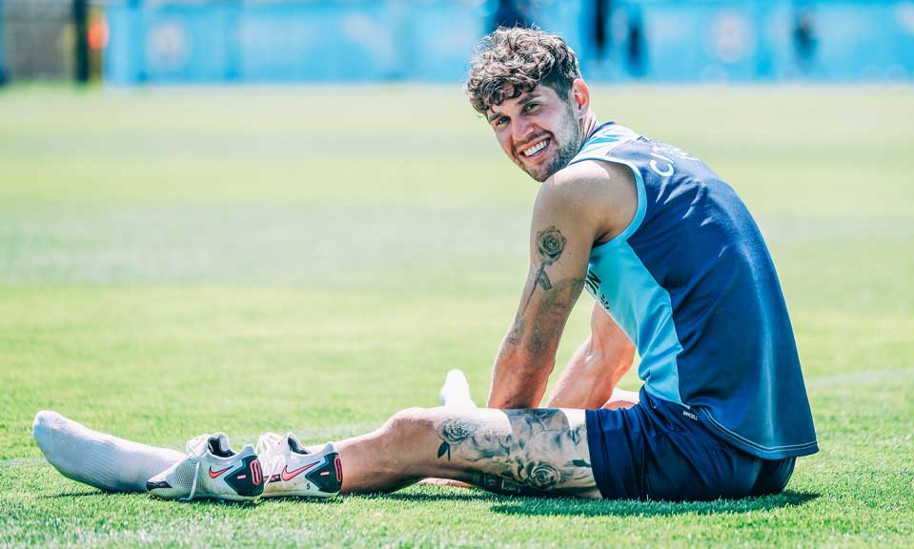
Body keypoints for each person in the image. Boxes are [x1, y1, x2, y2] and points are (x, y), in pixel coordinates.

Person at [35, 27, 817, 502]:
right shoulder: (640, 163)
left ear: (577, 95)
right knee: (585, 408)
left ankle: (233, 472)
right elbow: (603, 356)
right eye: (500, 120)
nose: (519, 134)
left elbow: (529, 350)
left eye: (533, 107)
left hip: (698, 449)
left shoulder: (574, 191)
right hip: (759, 454)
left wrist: (469, 438)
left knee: (417, 430)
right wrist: (501, 443)